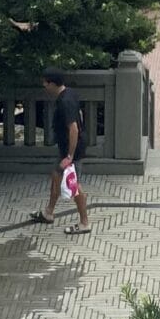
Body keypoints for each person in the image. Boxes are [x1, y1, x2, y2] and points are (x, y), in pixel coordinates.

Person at [33, 71, 92, 232]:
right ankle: (48, 213)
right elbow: (79, 115)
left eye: (45, 82)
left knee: (74, 184)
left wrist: (69, 156)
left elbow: (73, 129)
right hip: (66, 148)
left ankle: (84, 223)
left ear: (52, 84)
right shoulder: (70, 94)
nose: (44, 85)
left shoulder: (65, 101)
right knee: (56, 176)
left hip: (72, 150)